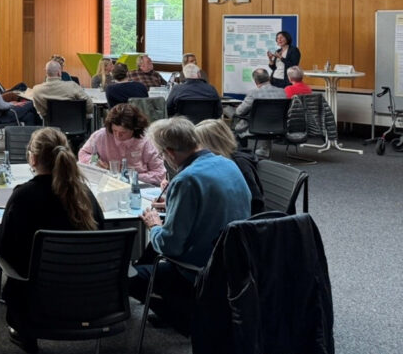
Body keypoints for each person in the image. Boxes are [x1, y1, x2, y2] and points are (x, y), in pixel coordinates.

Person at [132, 117, 251, 335]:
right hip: (233, 263)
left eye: (161, 154)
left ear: (170, 152)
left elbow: (170, 246)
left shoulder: (186, 180)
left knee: (128, 277)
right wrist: (175, 203)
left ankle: (187, 320)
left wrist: (154, 225)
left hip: (197, 270)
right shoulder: (227, 163)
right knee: (148, 257)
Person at [0, 128, 104, 353]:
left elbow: (5, 250)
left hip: (36, 300)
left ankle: (26, 332)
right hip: (87, 295)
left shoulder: (23, 196)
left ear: (33, 159)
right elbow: (100, 237)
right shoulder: (84, 195)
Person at [77, 103, 166, 184]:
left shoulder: (146, 141)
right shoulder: (101, 135)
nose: (118, 135)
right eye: (114, 130)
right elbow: (83, 153)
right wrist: (94, 161)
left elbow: (160, 174)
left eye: (123, 132)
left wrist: (130, 176)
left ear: (134, 129)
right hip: (107, 182)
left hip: (137, 184)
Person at [195, 119, 265, 216]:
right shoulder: (223, 160)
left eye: (198, 144)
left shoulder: (239, 165)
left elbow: (255, 203)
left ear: (211, 145)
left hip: (244, 220)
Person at [232, 68, 286, 157]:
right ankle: (264, 149)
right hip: (278, 126)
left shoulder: (253, 93)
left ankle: (243, 152)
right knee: (268, 117)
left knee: (236, 119)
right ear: (269, 78)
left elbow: (239, 111)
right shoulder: (282, 92)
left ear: (255, 81)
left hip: (256, 128)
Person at [0, 58, 39, 125]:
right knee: (33, 103)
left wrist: (11, 103)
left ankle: (33, 131)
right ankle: (41, 130)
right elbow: (1, 106)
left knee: (29, 116)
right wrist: (12, 104)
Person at [27, 59, 93, 120]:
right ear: (59, 72)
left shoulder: (36, 90)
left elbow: (41, 112)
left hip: (51, 125)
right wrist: (83, 113)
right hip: (75, 122)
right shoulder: (72, 86)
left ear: (46, 73)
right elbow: (89, 103)